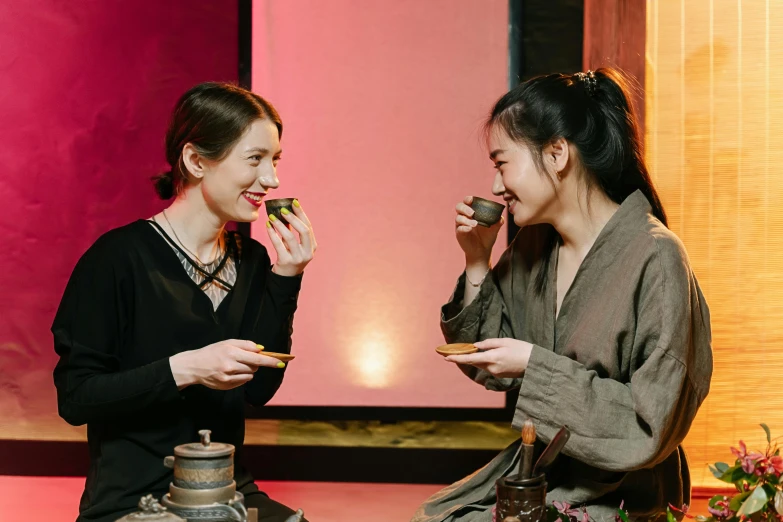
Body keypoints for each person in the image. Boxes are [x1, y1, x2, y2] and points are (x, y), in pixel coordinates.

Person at [413, 69, 713, 521]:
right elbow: (492, 366)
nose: (496, 186)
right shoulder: (536, 246)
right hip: (542, 475)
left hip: (623, 491)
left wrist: (536, 366)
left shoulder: (657, 256)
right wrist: (477, 259)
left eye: (501, 163)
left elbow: (652, 424)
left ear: (556, 154)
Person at [52, 82, 316, 522]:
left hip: (225, 491)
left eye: (275, 160)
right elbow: (75, 398)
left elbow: (260, 390)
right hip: (132, 500)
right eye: (255, 159)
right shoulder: (116, 259)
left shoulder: (250, 259)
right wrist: (188, 368)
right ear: (195, 160)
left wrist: (286, 277)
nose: (271, 179)